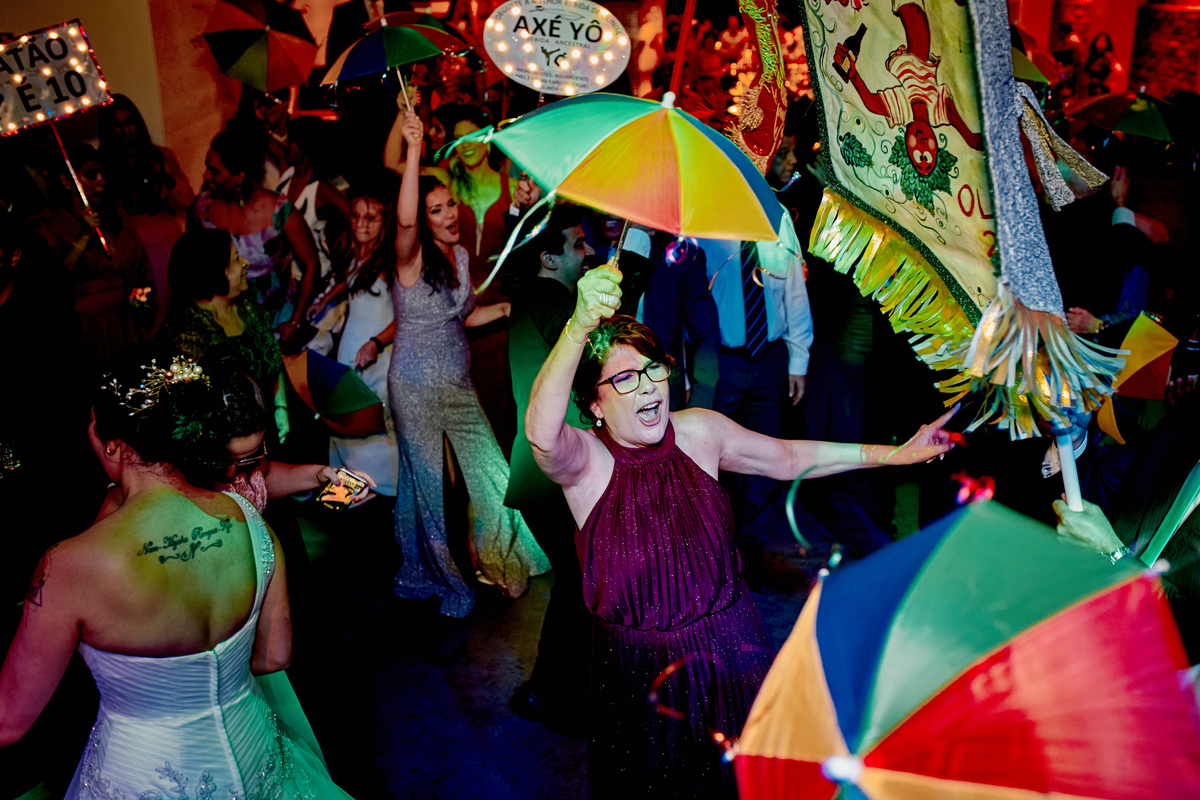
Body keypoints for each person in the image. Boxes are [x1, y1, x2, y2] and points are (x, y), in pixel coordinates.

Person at [524, 264, 957, 797]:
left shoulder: (699, 431)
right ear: (595, 405)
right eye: (624, 379)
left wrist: (892, 454)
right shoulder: (585, 463)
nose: (649, 388)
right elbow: (540, 435)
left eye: (654, 369)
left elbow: (786, 456)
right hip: (638, 672)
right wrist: (578, 326)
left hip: (732, 650)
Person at [0, 348, 353, 799]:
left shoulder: (68, 567)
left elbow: (9, 720)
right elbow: (274, 656)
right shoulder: (248, 519)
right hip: (256, 761)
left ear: (110, 442)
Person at [389, 113, 548, 617]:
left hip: (457, 385)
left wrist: (512, 309)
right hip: (413, 385)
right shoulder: (409, 260)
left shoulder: (458, 257)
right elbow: (406, 221)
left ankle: (509, 558)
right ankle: (449, 582)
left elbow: (467, 313)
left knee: (491, 472)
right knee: (429, 488)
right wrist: (415, 149)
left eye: (450, 204)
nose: (448, 214)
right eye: (436, 209)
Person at [189, 122, 320, 346]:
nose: (206, 176)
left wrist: (295, 322)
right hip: (224, 326)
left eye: (215, 171)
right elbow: (191, 269)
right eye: (207, 167)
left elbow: (311, 265)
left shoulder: (280, 210)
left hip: (276, 322)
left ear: (239, 176)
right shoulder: (201, 210)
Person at [312, 182, 401, 497]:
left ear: (385, 221)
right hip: (350, 349)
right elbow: (348, 280)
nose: (361, 224)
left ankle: (380, 493)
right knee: (346, 424)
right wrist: (324, 301)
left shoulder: (390, 264)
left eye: (371, 218)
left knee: (371, 426)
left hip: (376, 354)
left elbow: (405, 316)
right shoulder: (357, 254)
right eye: (355, 216)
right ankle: (342, 496)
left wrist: (376, 343)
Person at [28, 142, 154, 362]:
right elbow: (52, 281)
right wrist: (84, 235)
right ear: (66, 180)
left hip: (126, 323)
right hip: (84, 331)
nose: (101, 180)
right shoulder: (48, 223)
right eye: (91, 174)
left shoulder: (116, 214)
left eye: (101, 172)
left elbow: (140, 272)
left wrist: (142, 313)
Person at [159, 228, 283, 408]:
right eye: (236, 259)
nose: (246, 263)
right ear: (213, 272)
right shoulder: (185, 336)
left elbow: (275, 361)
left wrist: (281, 408)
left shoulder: (248, 309)